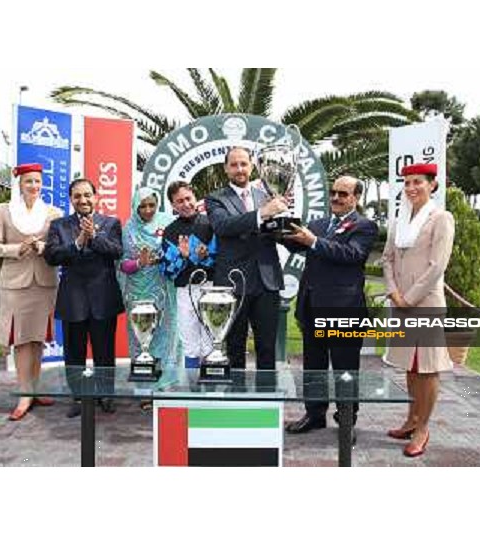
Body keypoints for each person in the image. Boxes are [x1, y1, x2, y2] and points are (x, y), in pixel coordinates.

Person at [284, 176, 378, 439]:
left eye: (343, 194)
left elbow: (352, 254)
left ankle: (347, 421)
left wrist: (312, 241)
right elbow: (294, 241)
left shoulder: (365, 226)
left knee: (345, 369)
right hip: (311, 308)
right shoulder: (318, 223)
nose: (336, 198)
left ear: (356, 198)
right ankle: (314, 416)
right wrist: (278, 224)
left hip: (344, 310)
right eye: (333, 193)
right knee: (313, 366)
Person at [381, 163, 455, 458]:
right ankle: (411, 420)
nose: (411, 188)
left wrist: (409, 297)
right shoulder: (399, 219)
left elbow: (437, 266)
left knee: (428, 367)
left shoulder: (441, 218)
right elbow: (386, 259)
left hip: (424, 303)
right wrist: (394, 292)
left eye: (418, 183)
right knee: (411, 366)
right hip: (401, 302)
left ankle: (423, 427)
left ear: (432, 185)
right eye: (407, 183)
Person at [0, 163, 63, 421]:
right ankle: (24, 392)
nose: (34, 186)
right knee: (21, 338)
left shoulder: (53, 213)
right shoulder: (4, 211)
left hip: (44, 283)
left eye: (38, 182)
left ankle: (36, 387)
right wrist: (17, 248)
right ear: (19, 183)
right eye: (29, 181)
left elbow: (58, 248)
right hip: (15, 284)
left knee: (37, 337)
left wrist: (43, 246)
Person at [44, 178, 125, 418]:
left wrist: (95, 238)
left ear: (95, 196)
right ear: (71, 200)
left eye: (87, 195)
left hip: (103, 299)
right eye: (77, 196)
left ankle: (106, 395)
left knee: (104, 352)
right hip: (73, 299)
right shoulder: (59, 226)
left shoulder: (111, 223)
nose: (83, 200)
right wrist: (78, 243)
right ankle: (77, 397)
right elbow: (51, 255)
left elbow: (117, 251)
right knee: (74, 353)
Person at [206, 147, 288, 370]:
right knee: (234, 347)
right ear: (226, 169)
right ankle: (237, 399)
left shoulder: (269, 195)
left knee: (267, 348)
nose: (239, 169)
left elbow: (279, 233)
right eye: (234, 165)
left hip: (266, 282)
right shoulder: (215, 199)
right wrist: (263, 213)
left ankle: (268, 398)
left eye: (243, 163)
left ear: (252, 166)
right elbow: (224, 227)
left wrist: (293, 232)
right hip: (234, 283)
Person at [119, 187, 181, 380]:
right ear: (135, 206)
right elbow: (122, 265)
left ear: (158, 204)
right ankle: (145, 387)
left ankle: (165, 383)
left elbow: (178, 255)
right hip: (138, 293)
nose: (147, 210)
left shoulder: (168, 223)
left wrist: (165, 258)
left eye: (151, 205)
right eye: (142, 206)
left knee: (166, 335)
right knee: (141, 337)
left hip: (164, 289)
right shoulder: (128, 229)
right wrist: (140, 263)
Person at [161, 181, 217, 370]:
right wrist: (183, 257)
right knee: (189, 339)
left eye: (188, 198)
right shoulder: (170, 231)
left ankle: (210, 389)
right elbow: (168, 270)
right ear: (173, 205)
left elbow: (220, 259)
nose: (185, 204)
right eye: (179, 201)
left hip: (210, 287)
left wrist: (205, 256)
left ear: (195, 198)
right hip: (185, 289)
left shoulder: (211, 224)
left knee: (210, 336)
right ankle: (192, 387)